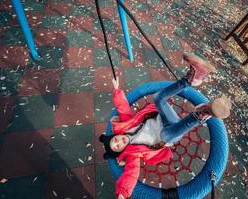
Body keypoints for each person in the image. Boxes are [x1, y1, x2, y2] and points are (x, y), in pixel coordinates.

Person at [99, 54, 232, 199]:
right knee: (165, 135)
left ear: (116, 135)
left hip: (165, 117)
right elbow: (131, 173)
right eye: (118, 146)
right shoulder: (133, 155)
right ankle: (201, 114)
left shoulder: (126, 125)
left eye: (115, 140)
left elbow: (123, 108)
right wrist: (122, 194)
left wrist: (117, 90)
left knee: (157, 98)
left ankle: (191, 79)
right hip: (170, 133)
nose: (119, 142)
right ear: (122, 150)